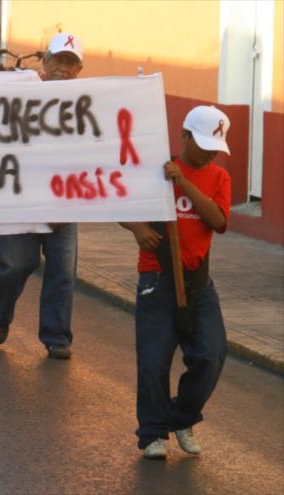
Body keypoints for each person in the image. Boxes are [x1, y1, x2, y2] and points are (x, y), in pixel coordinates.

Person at [120, 106, 231, 460]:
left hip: (199, 281)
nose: (209, 153)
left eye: (215, 147)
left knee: (211, 354)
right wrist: (137, 229)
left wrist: (182, 183)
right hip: (156, 276)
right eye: (202, 145)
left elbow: (218, 220)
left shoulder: (218, 178)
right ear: (183, 137)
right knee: (153, 360)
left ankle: (182, 416)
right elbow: (121, 203)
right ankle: (152, 433)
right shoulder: (154, 169)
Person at [0, 33, 84, 359]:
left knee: (62, 271)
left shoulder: (89, 104)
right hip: (20, 201)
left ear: (79, 69)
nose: (63, 68)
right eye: (58, 60)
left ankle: (57, 337)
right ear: (44, 62)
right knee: (16, 265)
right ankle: (1, 314)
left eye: (71, 63)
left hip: (64, 203)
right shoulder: (21, 95)